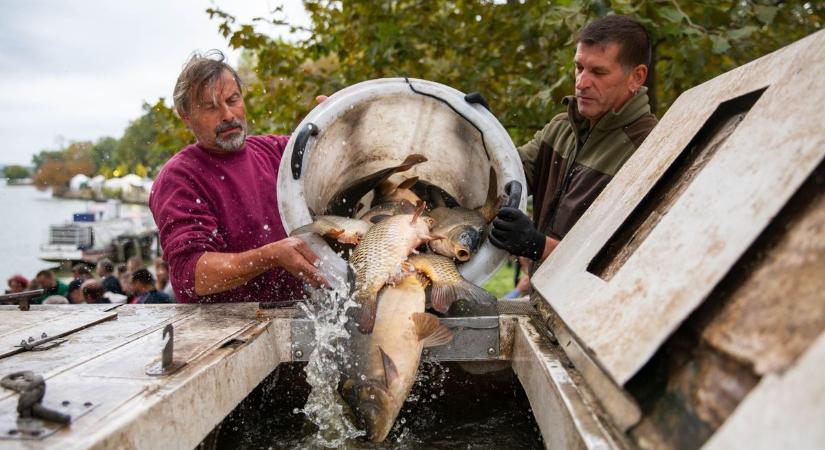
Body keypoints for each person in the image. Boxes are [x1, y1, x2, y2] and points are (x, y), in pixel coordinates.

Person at [149, 50, 326, 304]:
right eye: (211, 107)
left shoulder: (279, 152)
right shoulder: (179, 178)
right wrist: (270, 255)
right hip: (228, 334)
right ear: (185, 115)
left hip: (305, 317)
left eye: (233, 100)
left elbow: (341, 168)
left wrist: (342, 124)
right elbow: (191, 275)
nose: (228, 115)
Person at [490, 15, 658, 268]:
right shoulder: (561, 127)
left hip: (593, 305)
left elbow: (626, 255)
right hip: (542, 297)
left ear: (636, 77)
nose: (581, 83)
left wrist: (539, 245)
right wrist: (477, 129)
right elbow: (507, 175)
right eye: (579, 67)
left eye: (598, 72)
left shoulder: (651, 148)